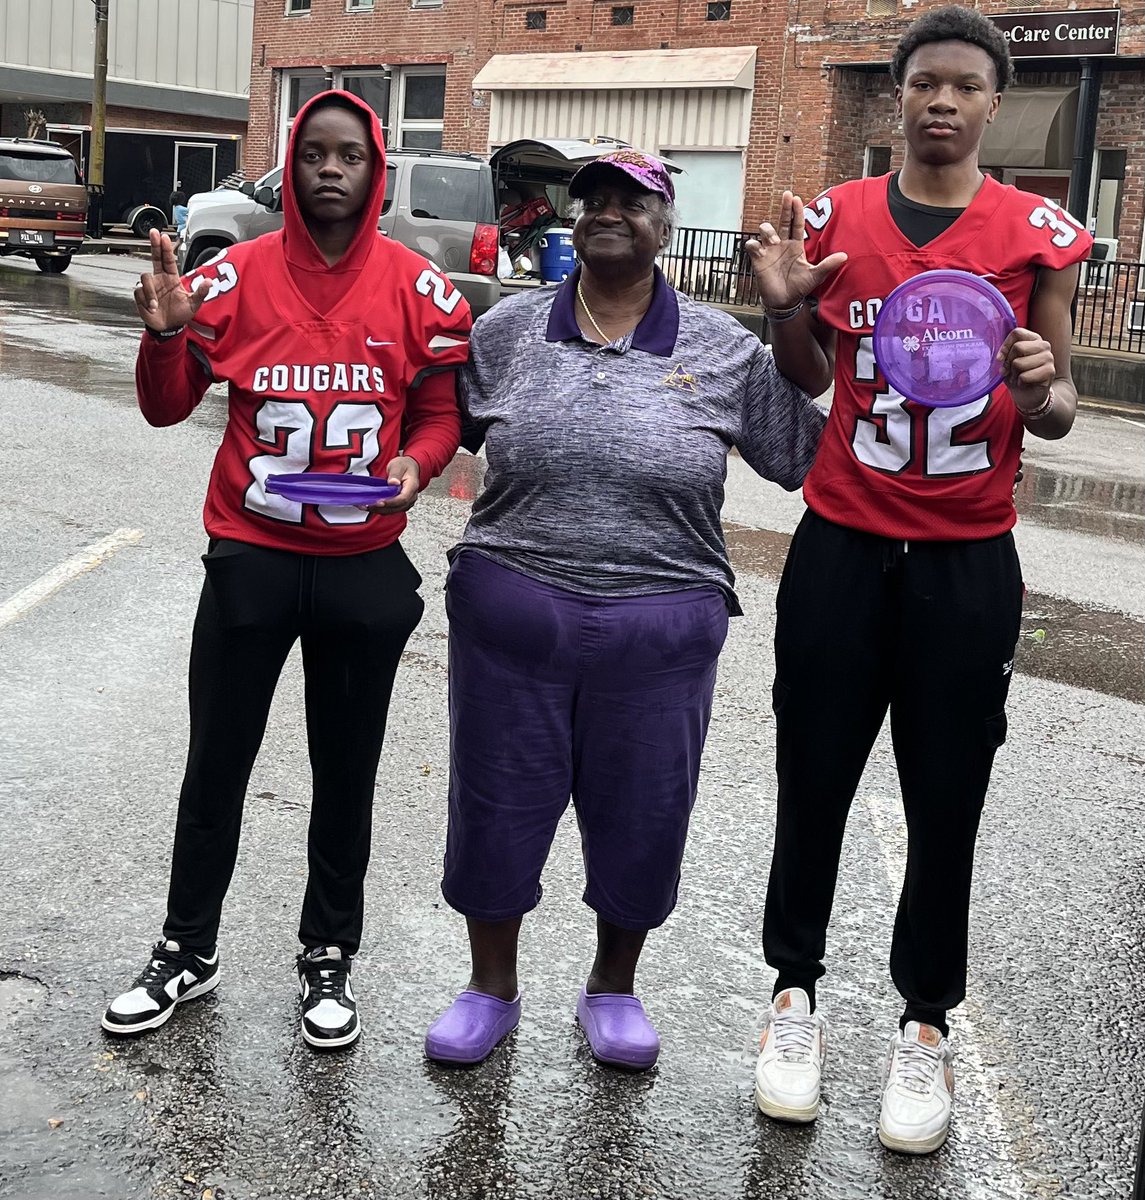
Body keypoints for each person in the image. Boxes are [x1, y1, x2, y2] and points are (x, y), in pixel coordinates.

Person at [746, 5, 1092, 1153]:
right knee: (813, 774)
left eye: (962, 86)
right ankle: (790, 993)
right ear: (896, 97)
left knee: (946, 796)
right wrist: (786, 305)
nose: (940, 102)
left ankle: (923, 1025)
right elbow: (803, 374)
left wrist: (1040, 382)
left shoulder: (1034, 231)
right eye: (922, 84)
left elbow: (1053, 411)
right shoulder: (835, 216)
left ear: (992, 103)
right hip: (842, 541)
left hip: (963, 558)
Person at [422, 150, 829, 1070]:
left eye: (631, 201)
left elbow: (813, 461)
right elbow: (434, 419)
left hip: (661, 626)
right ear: (573, 224)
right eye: (591, 200)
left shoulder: (724, 348)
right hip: (513, 612)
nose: (608, 212)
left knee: (644, 812)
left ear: (666, 226)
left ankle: (612, 985)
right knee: (495, 806)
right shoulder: (509, 331)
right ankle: (490, 985)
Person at [101, 90, 471, 1050]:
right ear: (293, 165)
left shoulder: (415, 285)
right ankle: (187, 946)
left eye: (350, 153)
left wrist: (415, 465)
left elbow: (438, 411)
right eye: (314, 153)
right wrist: (166, 333)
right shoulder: (233, 276)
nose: (331, 169)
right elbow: (164, 405)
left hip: (359, 561)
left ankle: (327, 956)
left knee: (345, 771)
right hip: (253, 554)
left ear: (375, 166)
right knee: (214, 763)